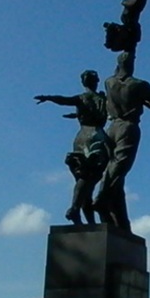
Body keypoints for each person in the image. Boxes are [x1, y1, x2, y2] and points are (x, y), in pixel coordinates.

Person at [94, 52, 150, 231]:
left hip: (112, 127)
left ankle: (119, 220)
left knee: (111, 167)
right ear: (132, 63)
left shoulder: (109, 82)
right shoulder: (138, 85)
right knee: (120, 167)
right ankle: (102, 197)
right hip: (128, 127)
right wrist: (147, 97)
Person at [35, 70, 108, 224]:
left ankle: (84, 216)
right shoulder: (103, 99)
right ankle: (75, 209)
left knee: (83, 178)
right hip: (96, 135)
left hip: (81, 137)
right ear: (97, 81)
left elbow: (64, 100)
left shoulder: (82, 98)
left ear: (83, 83)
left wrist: (48, 98)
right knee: (89, 177)